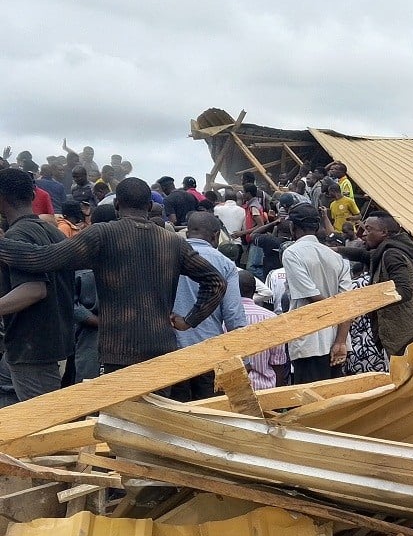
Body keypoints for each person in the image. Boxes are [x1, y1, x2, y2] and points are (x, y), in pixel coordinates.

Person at [0, 177, 227, 374]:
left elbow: (43, 258)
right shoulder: (173, 242)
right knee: (156, 421)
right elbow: (216, 282)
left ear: (117, 204)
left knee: (120, 422)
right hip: (162, 348)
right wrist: (189, 321)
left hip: (118, 351)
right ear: (149, 206)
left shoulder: (102, 235)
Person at [0, 168, 74, 401]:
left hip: (32, 348)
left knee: (44, 425)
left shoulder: (17, 236)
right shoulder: (54, 233)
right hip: (54, 343)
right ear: (33, 196)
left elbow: (33, 290)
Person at [169, 212, 248, 401]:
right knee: (207, 418)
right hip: (208, 356)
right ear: (215, 236)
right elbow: (233, 316)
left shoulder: (168, 258)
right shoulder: (225, 264)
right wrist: (244, 358)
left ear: (187, 234)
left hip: (171, 355)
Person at [338, 211, 413, 358]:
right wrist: (335, 250)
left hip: (404, 333)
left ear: (384, 232)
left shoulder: (392, 255)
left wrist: (370, 302)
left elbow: (404, 291)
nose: (363, 234)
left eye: (368, 229)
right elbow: (363, 255)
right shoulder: (386, 251)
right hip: (404, 331)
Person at [281, 205, 354, 384]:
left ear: (293, 227)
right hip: (336, 340)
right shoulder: (336, 257)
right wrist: (341, 340)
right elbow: (346, 303)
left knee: (309, 403)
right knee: (333, 400)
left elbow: (313, 298)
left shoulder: (292, 253)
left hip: (310, 340)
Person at [237, 270, 288, 389]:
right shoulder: (271, 318)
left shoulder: (224, 319)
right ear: (255, 290)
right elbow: (278, 362)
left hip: (234, 390)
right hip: (266, 389)